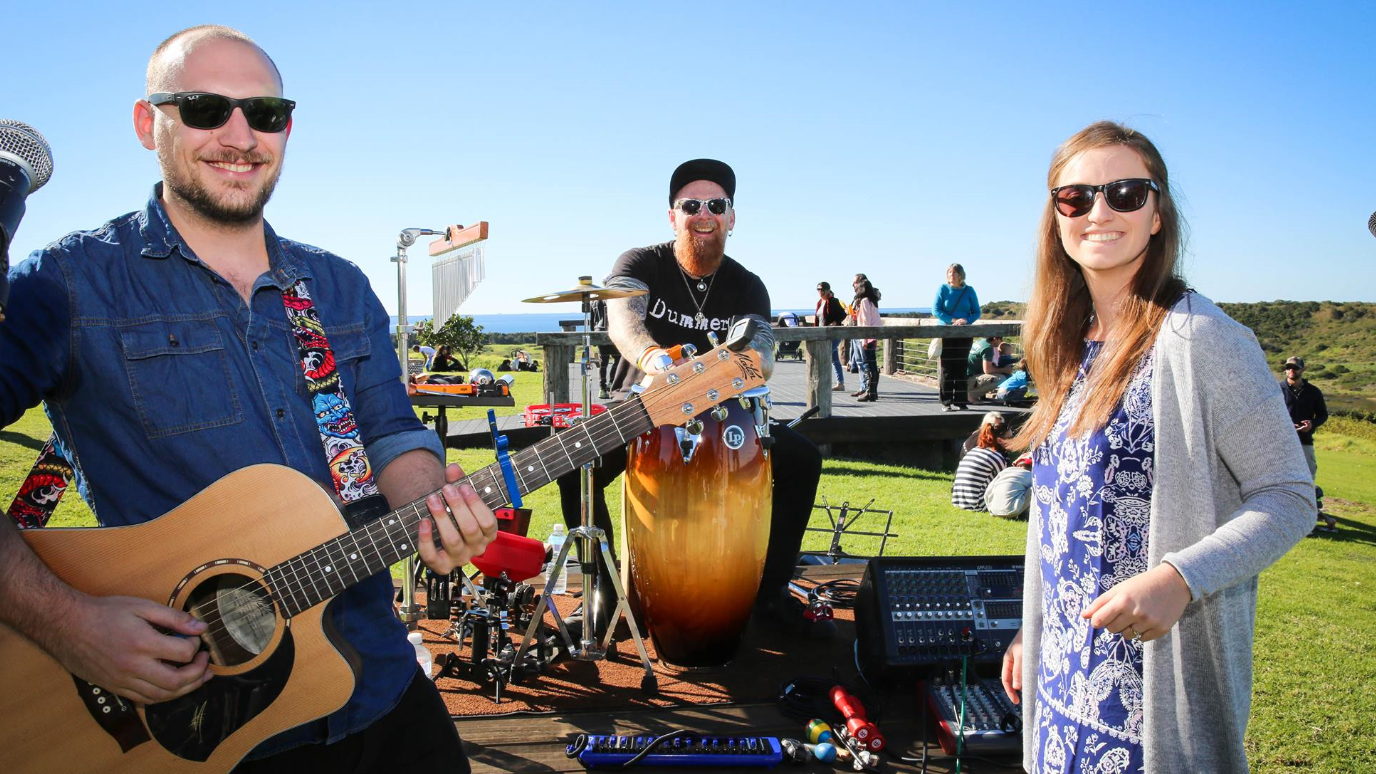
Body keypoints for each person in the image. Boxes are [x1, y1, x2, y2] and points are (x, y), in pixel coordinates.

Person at [0, 26, 496, 772]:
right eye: (204, 108)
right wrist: (69, 624)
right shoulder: (69, 284)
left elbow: (389, 431)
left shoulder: (335, 287)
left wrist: (433, 507)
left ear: (287, 128)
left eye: (264, 113)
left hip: (379, 681)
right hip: (189, 724)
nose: (240, 135)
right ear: (149, 124)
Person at [998, 121, 1313, 774]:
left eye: (1125, 193)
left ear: (1158, 215)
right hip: (1061, 687)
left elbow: (1288, 496)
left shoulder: (1203, 339)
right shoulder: (1064, 344)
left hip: (1149, 711)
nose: (1099, 211)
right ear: (1055, 216)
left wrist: (1181, 579)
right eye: (1076, 197)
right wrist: (1036, 629)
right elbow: (1066, 523)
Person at [554, 158, 828, 640]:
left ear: (731, 218)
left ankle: (769, 591)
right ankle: (604, 591)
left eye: (716, 204)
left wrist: (712, 376)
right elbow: (624, 321)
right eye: (691, 204)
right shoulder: (639, 263)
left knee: (801, 459)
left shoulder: (748, 285)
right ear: (672, 216)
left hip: (725, 416)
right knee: (577, 460)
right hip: (640, 407)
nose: (704, 213)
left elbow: (761, 354)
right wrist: (658, 361)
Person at [1281, 355, 1335, 532]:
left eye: (1295, 367)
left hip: (1305, 442)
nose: (1291, 370)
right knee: (1281, 478)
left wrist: (1312, 424)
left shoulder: (1314, 392)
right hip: (1282, 442)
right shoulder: (1277, 389)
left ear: (1303, 370)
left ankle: (1306, 516)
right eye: (1288, 367)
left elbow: (1322, 415)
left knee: (1307, 478)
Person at [933, 263, 981, 411]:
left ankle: (961, 401)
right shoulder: (943, 289)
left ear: (961, 275)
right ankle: (946, 402)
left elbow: (976, 311)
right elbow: (936, 310)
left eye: (954, 273)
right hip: (947, 332)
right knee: (947, 367)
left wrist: (966, 320)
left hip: (964, 333)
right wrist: (953, 320)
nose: (951, 276)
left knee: (961, 367)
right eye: (949, 273)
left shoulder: (969, 290)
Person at [951, 412, 1009, 510]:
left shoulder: (977, 448)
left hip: (958, 499)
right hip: (978, 503)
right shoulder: (994, 455)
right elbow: (1005, 481)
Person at [849, 274, 882, 402]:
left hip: (867, 337)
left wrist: (864, 340)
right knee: (873, 365)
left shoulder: (864, 302)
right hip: (873, 337)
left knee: (868, 365)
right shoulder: (873, 301)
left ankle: (869, 392)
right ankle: (873, 392)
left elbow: (865, 322)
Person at [815, 281, 848, 391]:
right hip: (822, 335)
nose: (819, 292)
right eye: (818, 289)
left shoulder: (833, 301)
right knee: (835, 359)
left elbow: (843, 314)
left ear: (827, 290)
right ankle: (841, 383)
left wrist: (835, 322)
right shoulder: (820, 302)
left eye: (821, 289)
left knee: (825, 355)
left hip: (833, 334)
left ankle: (823, 381)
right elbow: (818, 318)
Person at [967, 334, 1014, 404]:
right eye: (1001, 339)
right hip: (969, 380)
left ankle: (978, 396)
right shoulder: (988, 348)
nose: (1001, 342)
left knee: (993, 374)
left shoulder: (980, 341)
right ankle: (970, 395)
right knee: (1001, 378)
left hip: (966, 377)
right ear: (995, 338)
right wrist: (1005, 370)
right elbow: (987, 370)